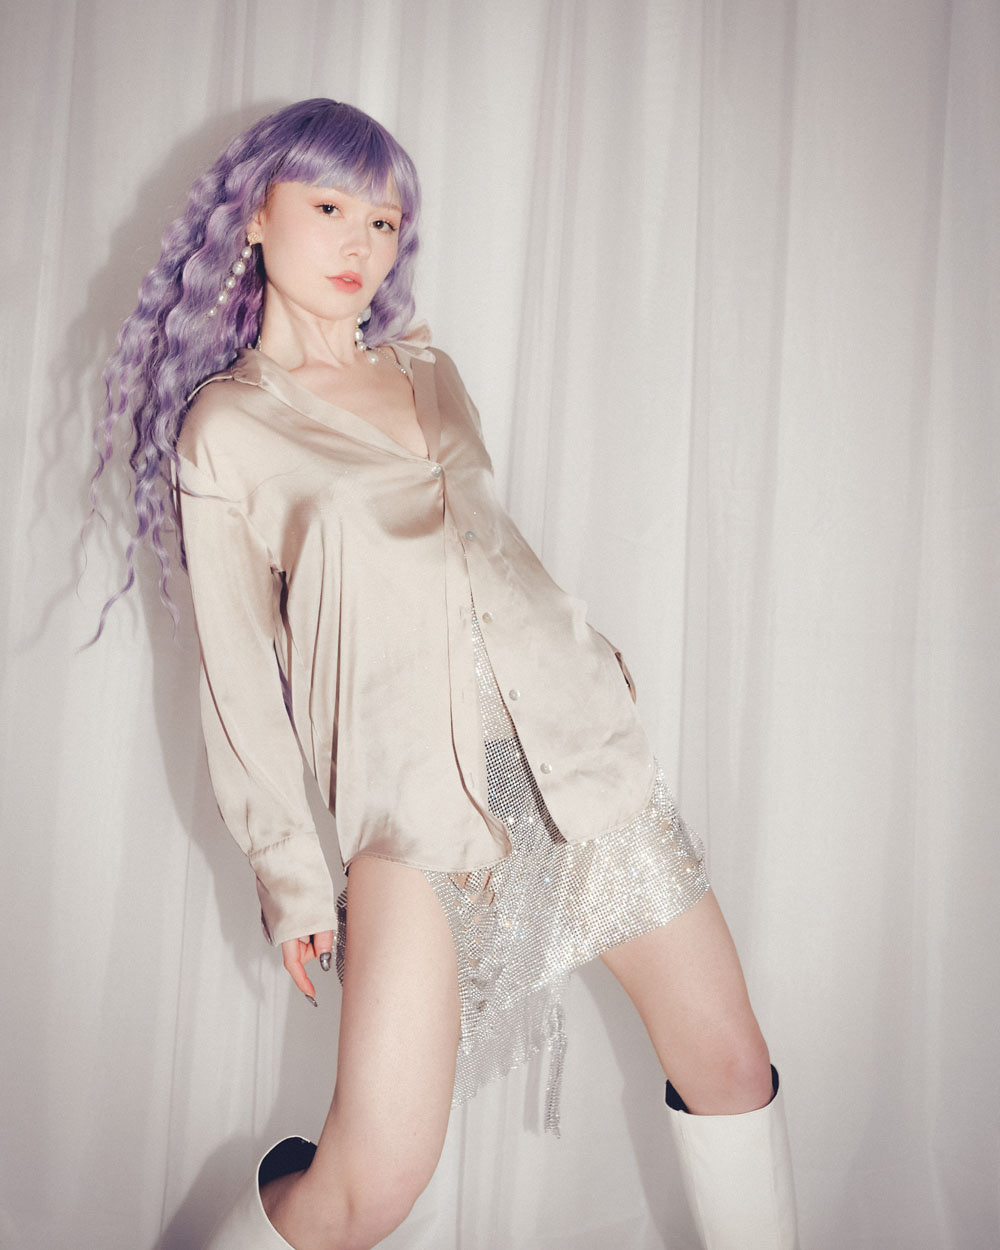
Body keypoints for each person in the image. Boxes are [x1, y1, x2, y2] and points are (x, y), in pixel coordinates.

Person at [94, 98, 798, 1250]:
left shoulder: (429, 371)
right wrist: (291, 877)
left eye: (383, 220)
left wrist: (596, 658)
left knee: (730, 1066)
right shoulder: (227, 430)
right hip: (419, 811)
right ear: (255, 216)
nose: (360, 243)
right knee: (368, 1184)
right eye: (330, 207)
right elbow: (237, 683)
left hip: (580, 765)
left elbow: (487, 548)